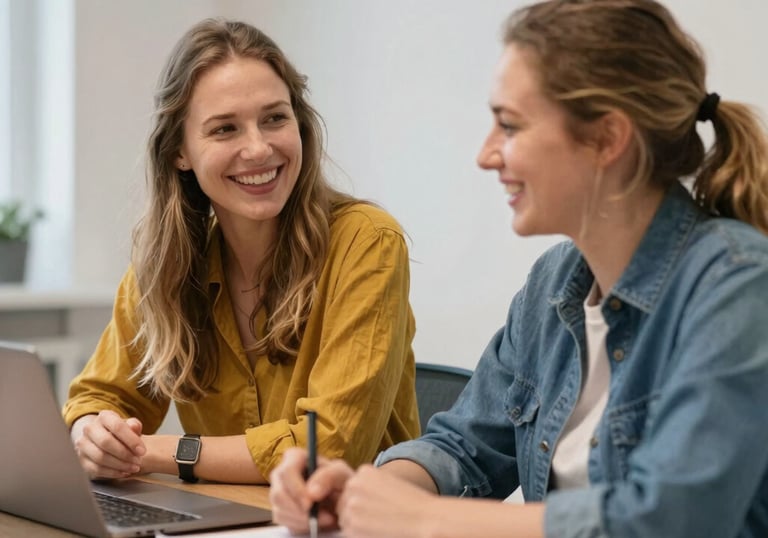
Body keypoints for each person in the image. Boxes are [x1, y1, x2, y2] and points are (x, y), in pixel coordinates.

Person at [268, 0, 768, 536]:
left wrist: (427, 518)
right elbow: (462, 447)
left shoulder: (736, 285)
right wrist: (372, 491)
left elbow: (670, 519)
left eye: (509, 125)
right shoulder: (553, 284)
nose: (486, 155)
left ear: (607, 138)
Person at [63, 18, 420, 485]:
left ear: (300, 124)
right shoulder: (168, 263)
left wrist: (154, 451)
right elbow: (101, 397)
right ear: (180, 152)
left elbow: (328, 449)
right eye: (225, 129)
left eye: (275, 118)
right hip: (228, 520)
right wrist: (94, 435)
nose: (258, 148)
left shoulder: (367, 242)